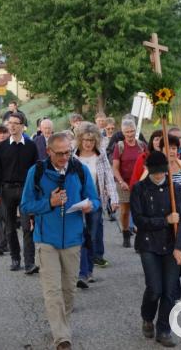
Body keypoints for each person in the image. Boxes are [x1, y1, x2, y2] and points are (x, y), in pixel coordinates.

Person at [20, 133, 99, 350]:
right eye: (61, 153)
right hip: (46, 240)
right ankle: (62, 336)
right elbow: (25, 206)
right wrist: (50, 202)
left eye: (68, 152)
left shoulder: (79, 170)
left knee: (68, 290)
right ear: (49, 151)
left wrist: (90, 205)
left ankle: (60, 324)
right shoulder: (35, 172)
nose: (65, 157)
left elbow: (95, 198)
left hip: (73, 239)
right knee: (52, 290)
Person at [131, 151, 181, 348]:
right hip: (148, 244)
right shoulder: (139, 189)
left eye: (162, 171)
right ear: (148, 169)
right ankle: (147, 317)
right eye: (155, 172)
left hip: (171, 246)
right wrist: (164, 220)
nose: (158, 175)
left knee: (170, 290)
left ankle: (164, 329)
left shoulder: (175, 188)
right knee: (155, 288)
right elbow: (139, 220)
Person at [139, 135, 181, 302]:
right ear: (161, 150)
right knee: (167, 262)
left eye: (174, 148)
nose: (172, 151)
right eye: (168, 148)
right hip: (161, 226)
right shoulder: (153, 170)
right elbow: (142, 195)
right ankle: (166, 286)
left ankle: (171, 281)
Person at [0, 112, 39, 273]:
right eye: (9, 123)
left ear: (22, 126)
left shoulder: (31, 146)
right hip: (6, 191)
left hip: (26, 191)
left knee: (27, 227)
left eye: (15, 123)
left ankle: (29, 263)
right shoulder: (1, 147)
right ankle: (15, 258)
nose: (11, 126)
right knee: (10, 227)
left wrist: (36, 192)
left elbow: (36, 171)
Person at [73, 122, 118, 286]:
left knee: (91, 236)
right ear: (79, 139)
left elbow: (108, 178)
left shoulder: (101, 155)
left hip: (95, 201)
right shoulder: (73, 156)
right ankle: (82, 273)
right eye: (85, 139)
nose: (88, 143)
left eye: (91, 140)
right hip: (76, 201)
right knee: (79, 235)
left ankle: (89, 270)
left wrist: (114, 199)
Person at [112, 117, 147, 248]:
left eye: (132, 131)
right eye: (127, 132)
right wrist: (121, 182)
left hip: (139, 184)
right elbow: (115, 168)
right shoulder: (119, 146)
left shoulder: (141, 145)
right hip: (124, 184)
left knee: (139, 211)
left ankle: (140, 239)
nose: (130, 134)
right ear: (123, 132)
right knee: (125, 211)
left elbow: (146, 164)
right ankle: (126, 234)